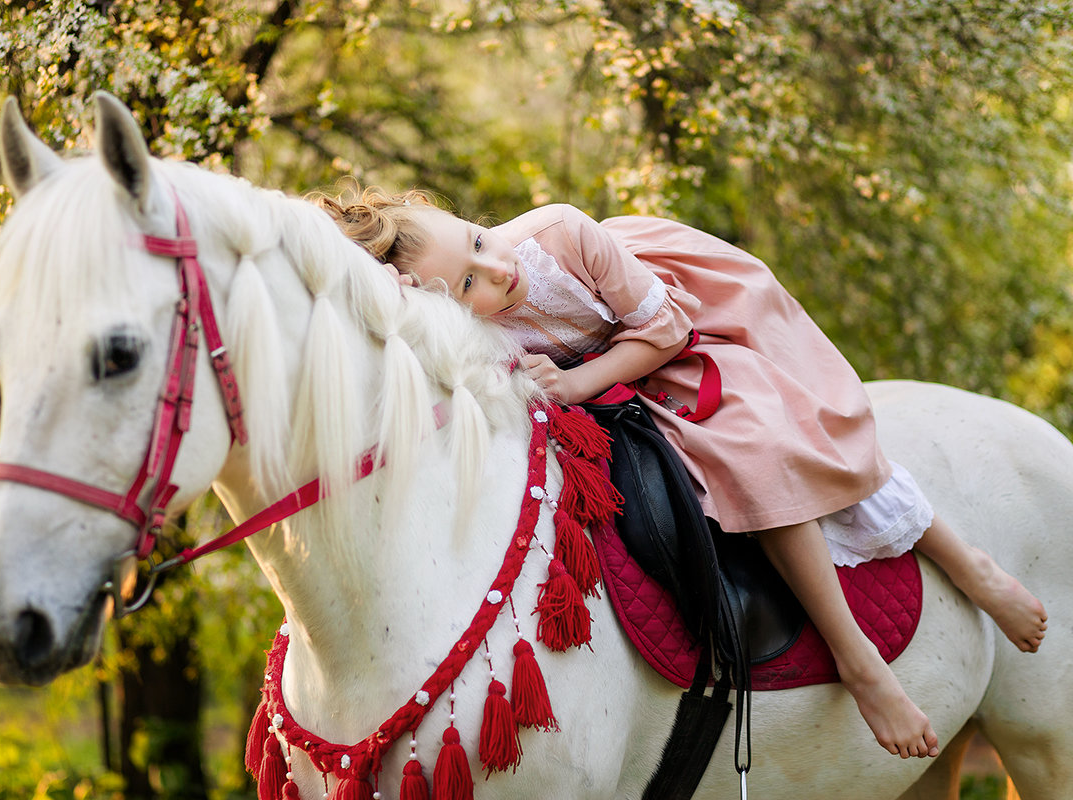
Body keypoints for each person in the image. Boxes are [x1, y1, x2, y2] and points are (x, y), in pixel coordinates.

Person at [310, 185, 1048, 759]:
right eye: (469, 282)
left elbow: (667, 329)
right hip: (620, 381)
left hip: (680, 329)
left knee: (766, 444)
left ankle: (895, 631)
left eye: (477, 239)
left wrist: (577, 383)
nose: (496, 270)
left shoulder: (559, 234)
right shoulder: (469, 326)